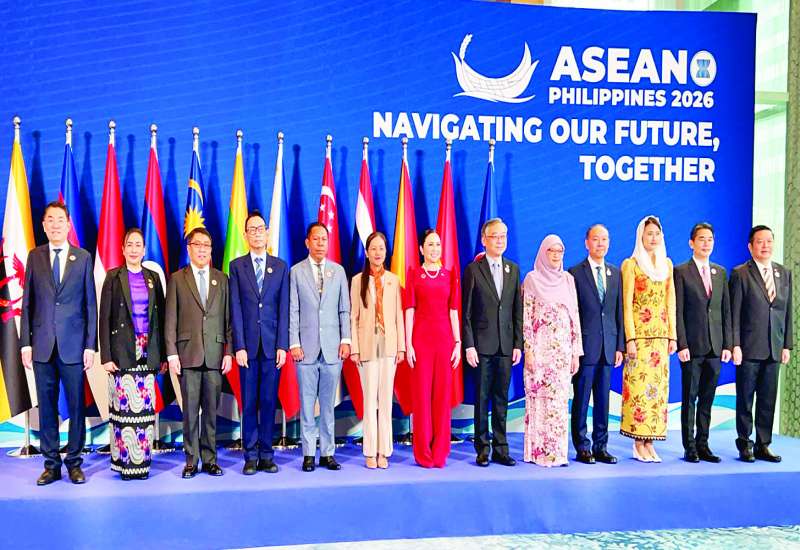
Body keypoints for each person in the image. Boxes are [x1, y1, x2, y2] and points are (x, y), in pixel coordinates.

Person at [20, 201, 97, 486]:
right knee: (47, 407)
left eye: (60, 220)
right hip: (41, 346)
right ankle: (51, 465)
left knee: (76, 407)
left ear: (68, 224)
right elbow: (27, 303)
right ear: (43, 225)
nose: (55, 224)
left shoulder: (83, 257)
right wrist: (25, 344)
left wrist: (90, 345)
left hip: (73, 347)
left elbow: (90, 304)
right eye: (50, 220)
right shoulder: (35, 257)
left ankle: (74, 463)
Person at [99, 228, 166, 480]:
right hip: (121, 353)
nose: (134, 249)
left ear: (144, 249)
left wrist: (162, 355)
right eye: (130, 244)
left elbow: (160, 318)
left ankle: (142, 465)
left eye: (138, 245)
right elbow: (104, 318)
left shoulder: (153, 278)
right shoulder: (113, 277)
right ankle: (125, 465)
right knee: (124, 414)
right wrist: (106, 356)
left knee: (144, 414)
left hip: (148, 352)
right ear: (123, 249)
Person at [165, 227, 233, 478]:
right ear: (189, 248)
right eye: (198, 245)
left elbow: (228, 320)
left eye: (207, 245)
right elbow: (170, 319)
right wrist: (172, 354)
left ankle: (210, 459)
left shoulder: (221, 279)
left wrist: (229, 352)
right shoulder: (177, 279)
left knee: (211, 413)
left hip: (215, 355)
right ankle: (191, 461)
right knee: (191, 413)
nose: (202, 249)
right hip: (188, 355)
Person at [230, 211, 289, 475]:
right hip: (248, 348)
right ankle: (250, 456)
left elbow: (283, 308)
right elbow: (235, 309)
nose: (256, 233)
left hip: (272, 347)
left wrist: (282, 345)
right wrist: (239, 346)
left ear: (267, 233)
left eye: (260, 229)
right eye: (251, 229)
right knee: (249, 402)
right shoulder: (236, 266)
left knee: (268, 401)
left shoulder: (280, 267)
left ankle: (267, 454)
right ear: (245, 235)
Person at [289, 222, 351, 472]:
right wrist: (294, 343)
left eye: (324, 239)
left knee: (327, 406)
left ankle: (327, 453)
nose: (320, 244)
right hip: (305, 350)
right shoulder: (296, 272)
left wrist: (346, 340)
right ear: (307, 242)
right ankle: (308, 454)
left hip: (333, 349)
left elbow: (344, 309)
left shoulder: (338, 271)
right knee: (307, 406)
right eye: (316, 239)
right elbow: (293, 309)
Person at [462, 217, 523, 467]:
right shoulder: (473, 270)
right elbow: (466, 312)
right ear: (484, 240)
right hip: (481, 346)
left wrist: (518, 344)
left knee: (501, 399)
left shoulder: (513, 269)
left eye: (503, 236)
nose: (500, 240)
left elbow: (517, 311)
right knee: (482, 399)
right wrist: (469, 345)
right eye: (495, 236)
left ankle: (501, 448)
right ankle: (482, 448)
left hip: (506, 346)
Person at [730, 225, 792, 463]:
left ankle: (763, 445)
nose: (765, 246)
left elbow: (787, 312)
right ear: (750, 246)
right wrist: (735, 344)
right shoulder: (740, 274)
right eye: (760, 241)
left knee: (767, 399)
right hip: (748, 347)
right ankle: (744, 443)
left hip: (774, 346)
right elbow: (734, 313)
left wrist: (786, 345)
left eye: (769, 241)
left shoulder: (783, 273)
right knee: (745, 399)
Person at [674, 222, 732, 463]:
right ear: (692, 243)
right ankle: (689, 447)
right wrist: (682, 344)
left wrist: (727, 345)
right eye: (701, 239)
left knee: (707, 399)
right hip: (692, 347)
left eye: (710, 239)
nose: (706, 243)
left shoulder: (720, 272)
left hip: (715, 347)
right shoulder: (681, 271)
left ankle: (703, 444)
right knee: (690, 398)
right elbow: (677, 311)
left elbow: (726, 311)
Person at [521, 235, 581, 467]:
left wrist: (576, 352)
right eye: (551, 251)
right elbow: (526, 318)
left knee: (558, 402)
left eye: (559, 251)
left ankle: (557, 453)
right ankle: (538, 453)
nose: (556, 255)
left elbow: (574, 316)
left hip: (562, 353)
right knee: (539, 400)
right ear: (543, 253)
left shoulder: (568, 280)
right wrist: (529, 351)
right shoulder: (532, 279)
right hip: (539, 351)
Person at [620, 216, 676, 462]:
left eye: (657, 234)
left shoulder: (667, 265)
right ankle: (638, 443)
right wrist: (630, 339)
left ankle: (651, 442)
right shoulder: (631, 265)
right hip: (640, 340)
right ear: (640, 236)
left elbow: (670, 301)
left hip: (660, 339)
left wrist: (672, 336)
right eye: (649, 233)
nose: (653, 238)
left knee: (658, 393)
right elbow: (627, 304)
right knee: (639, 390)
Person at [568, 224, 624, 465]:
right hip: (585, 347)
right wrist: (574, 346)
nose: (600, 243)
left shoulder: (615, 273)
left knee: (603, 401)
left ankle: (601, 446)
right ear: (586, 243)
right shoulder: (575, 273)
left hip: (608, 347)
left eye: (604, 239)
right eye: (596, 239)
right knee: (581, 400)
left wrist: (619, 346)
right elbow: (572, 314)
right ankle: (582, 446)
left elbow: (618, 312)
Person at [350, 232, 405, 469]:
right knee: (370, 401)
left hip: (389, 347)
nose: (378, 252)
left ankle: (384, 451)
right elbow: (353, 317)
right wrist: (354, 348)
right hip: (367, 347)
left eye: (381, 248)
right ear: (367, 252)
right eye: (373, 248)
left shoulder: (393, 280)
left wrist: (401, 347)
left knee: (385, 401)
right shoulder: (357, 281)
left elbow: (398, 316)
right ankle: (370, 451)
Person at [406, 230, 460, 468]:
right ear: (421, 249)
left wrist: (458, 343)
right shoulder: (414, 275)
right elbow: (409, 310)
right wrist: (408, 343)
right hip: (421, 342)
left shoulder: (449, 276)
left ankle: (440, 451)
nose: (435, 249)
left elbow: (453, 311)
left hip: (445, 341)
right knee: (422, 398)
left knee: (441, 397)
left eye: (438, 244)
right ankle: (423, 453)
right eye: (430, 244)